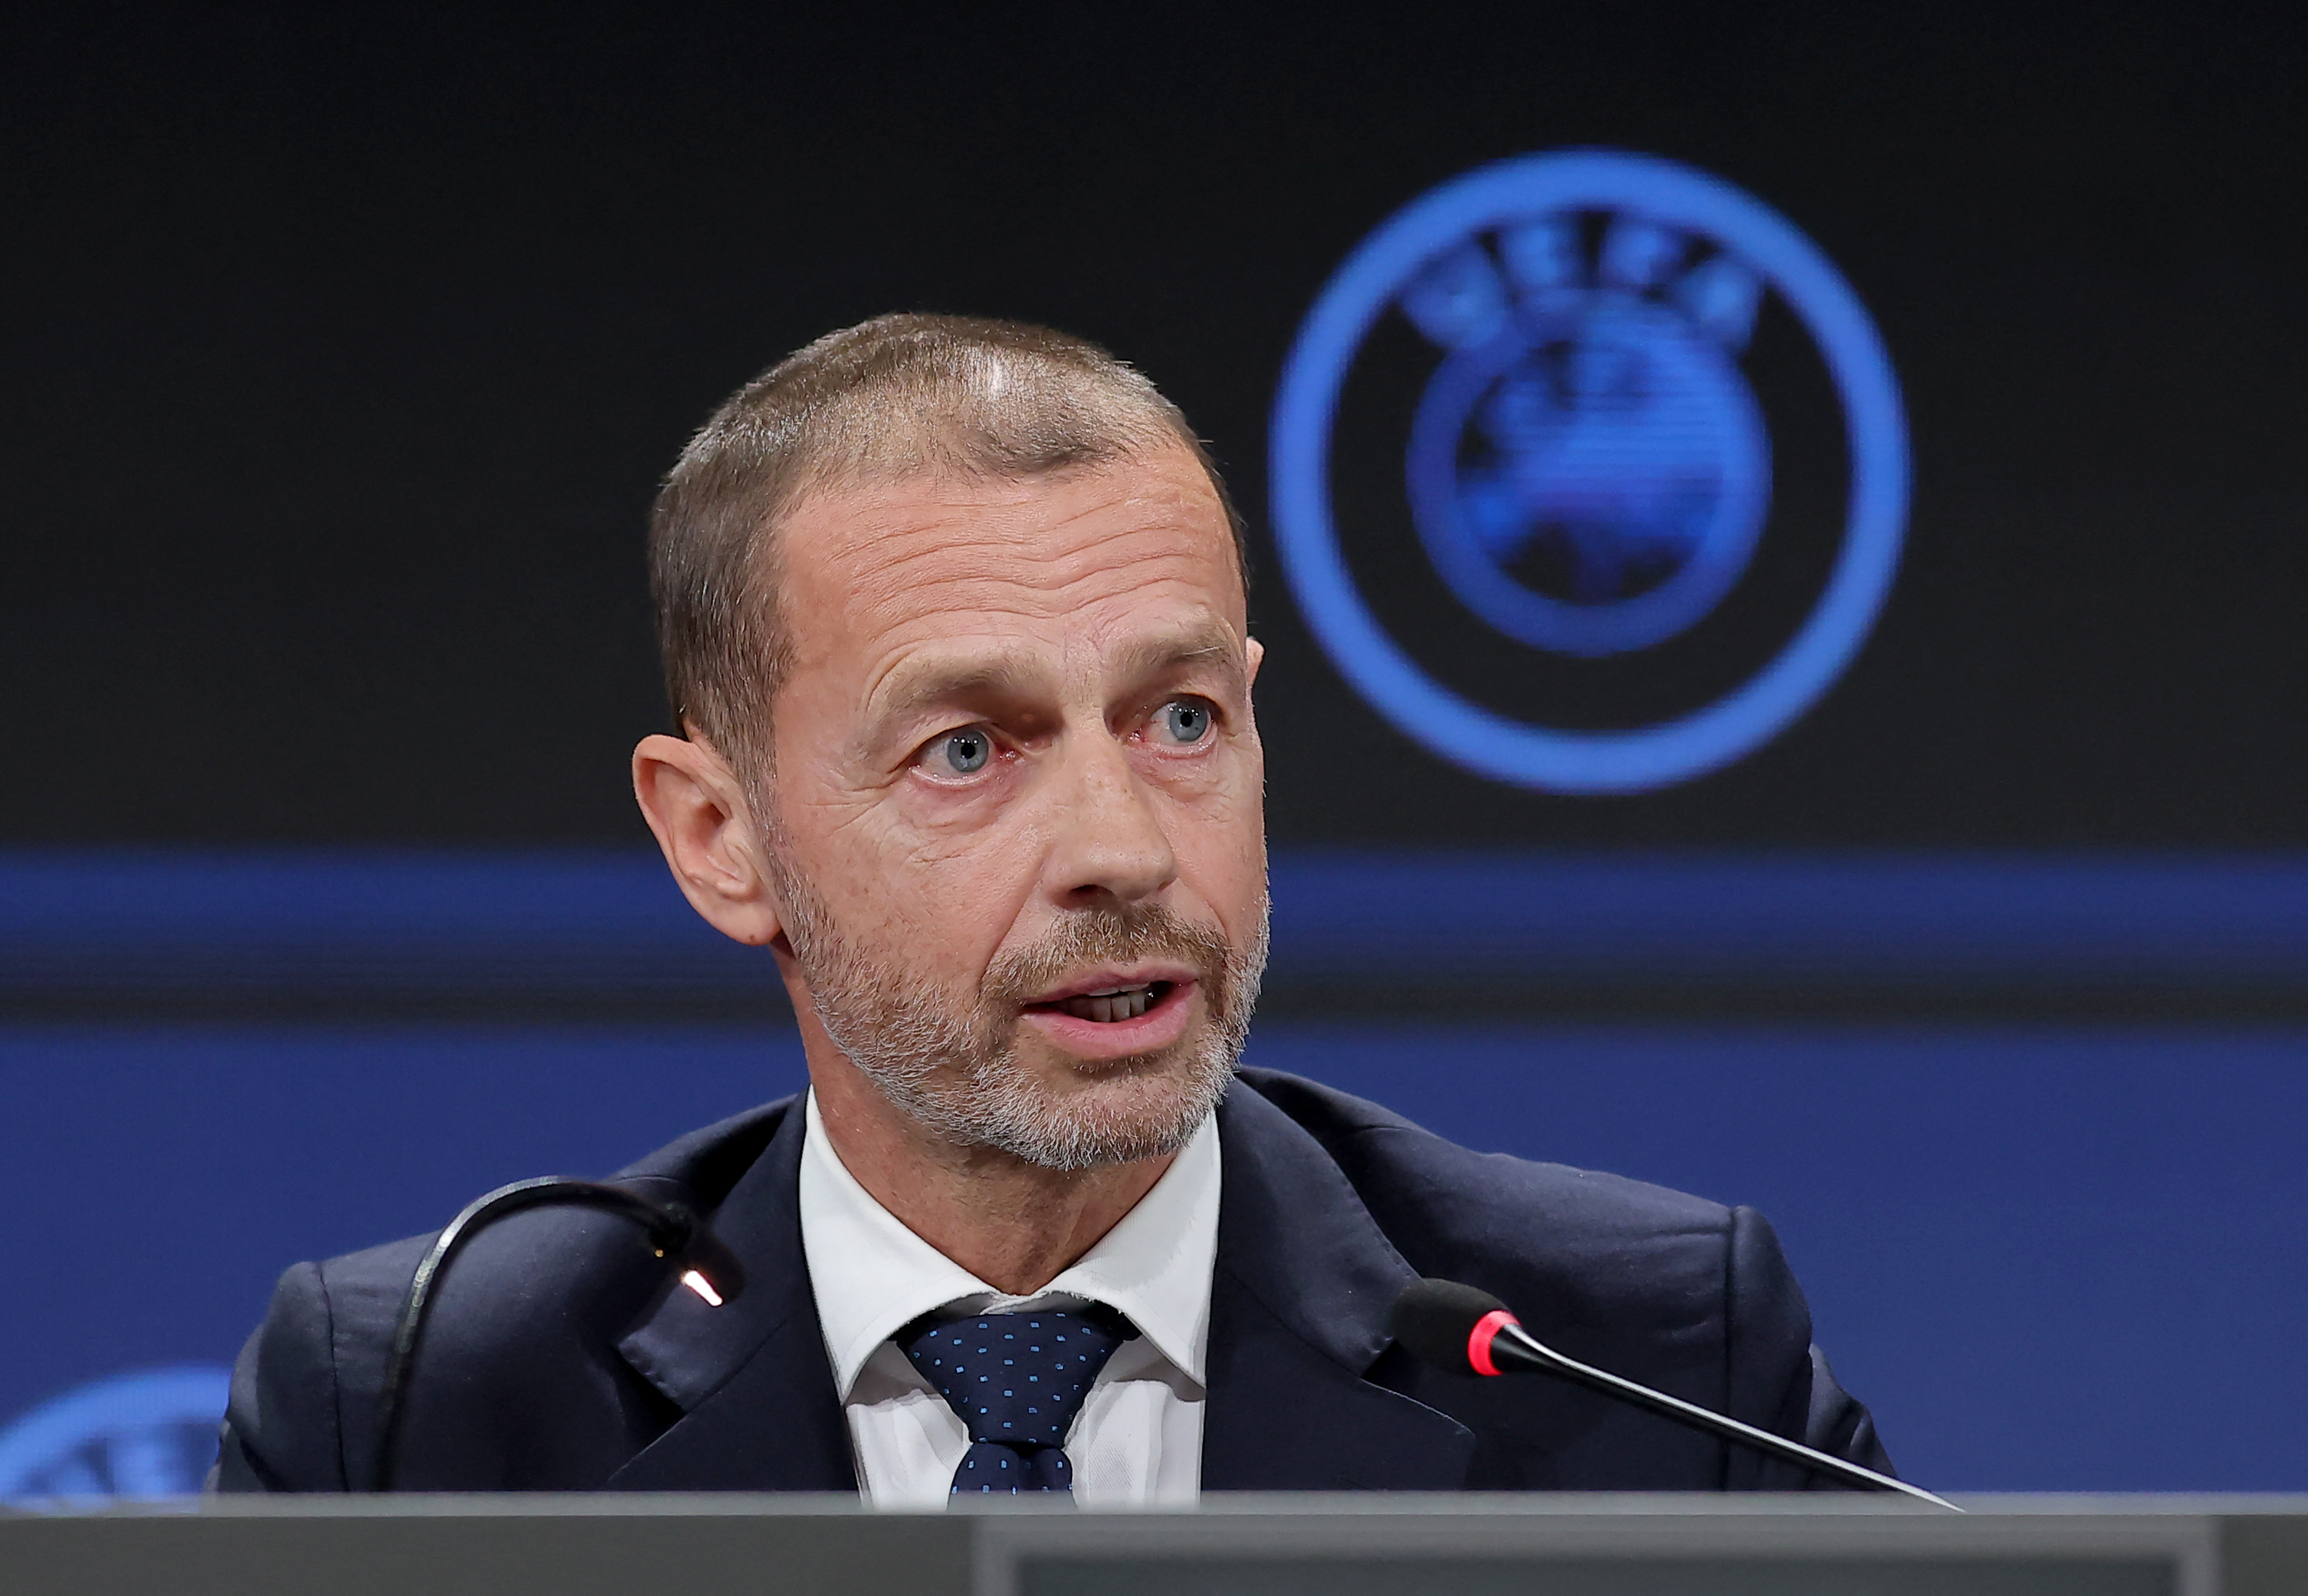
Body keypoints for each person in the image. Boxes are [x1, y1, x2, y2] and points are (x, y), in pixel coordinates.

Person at [213, 314, 1890, 1502]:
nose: (1123, 848)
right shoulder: (423, 1404)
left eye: (1180, 721)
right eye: (968, 749)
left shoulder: (1641, 1358)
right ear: (721, 839)